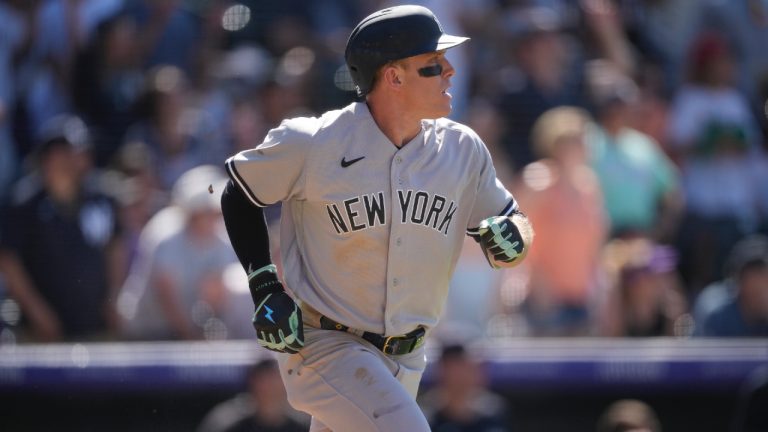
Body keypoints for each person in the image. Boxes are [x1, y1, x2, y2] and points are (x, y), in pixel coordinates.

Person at [219, 5, 534, 432]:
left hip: (408, 357)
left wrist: (515, 235)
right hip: (325, 344)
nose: (450, 72)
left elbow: (510, 220)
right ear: (393, 77)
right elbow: (240, 192)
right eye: (432, 65)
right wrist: (263, 283)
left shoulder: (462, 150)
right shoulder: (314, 142)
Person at [1, 114, 124, 341]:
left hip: (96, 324)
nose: (79, 159)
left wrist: (114, 297)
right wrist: (38, 312)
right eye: (69, 152)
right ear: (49, 156)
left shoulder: (100, 196)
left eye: (82, 151)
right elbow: (9, 262)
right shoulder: (24, 204)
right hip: (42, 330)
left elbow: (114, 247)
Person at [197, 358, 309, 432]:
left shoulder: (304, 425)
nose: (270, 390)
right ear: (253, 385)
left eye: (276, 383)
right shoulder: (227, 423)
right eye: (264, 382)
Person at [418, 344, 510, 432]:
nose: (462, 377)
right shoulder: (425, 418)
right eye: (455, 370)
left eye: (469, 369)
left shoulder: (493, 416)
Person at [693, 234, 768, 337]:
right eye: (752, 274)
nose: (758, 284)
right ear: (738, 279)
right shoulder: (715, 312)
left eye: (763, 274)